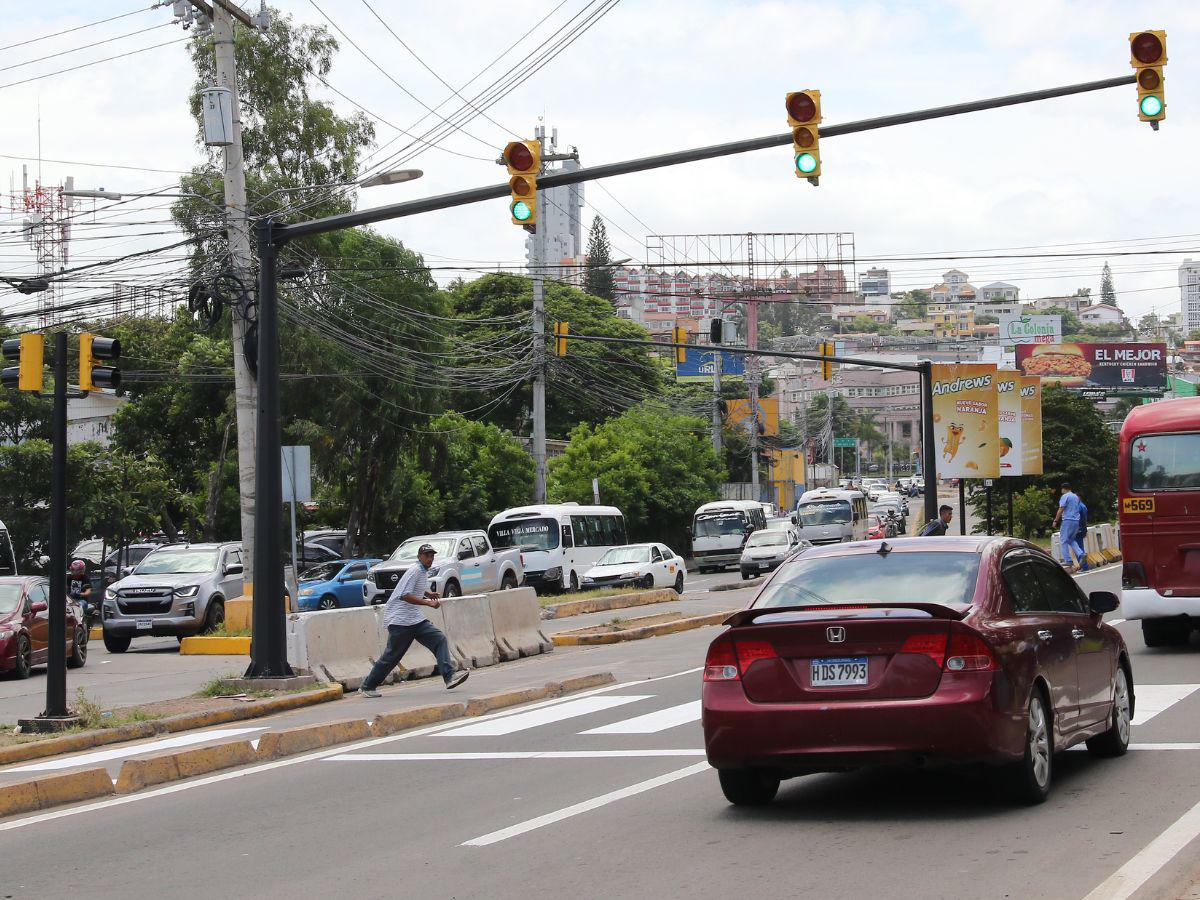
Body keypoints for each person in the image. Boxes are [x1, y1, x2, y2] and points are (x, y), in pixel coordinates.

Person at [359, 544, 469, 697]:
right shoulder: (415, 570)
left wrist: (428, 594)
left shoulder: (422, 571)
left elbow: (415, 588)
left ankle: (449, 677)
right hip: (400, 620)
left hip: (414, 619)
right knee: (392, 657)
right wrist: (428, 603)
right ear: (419, 557)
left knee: (439, 639)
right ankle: (367, 686)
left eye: (432, 556)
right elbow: (404, 595)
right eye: (427, 556)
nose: (430, 559)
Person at [1052, 482, 1085, 572]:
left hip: (1067, 520)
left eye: (1062, 489)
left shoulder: (1065, 496)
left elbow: (1061, 509)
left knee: (1063, 540)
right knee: (1071, 539)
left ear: (1064, 489)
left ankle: (1068, 560)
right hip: (1076, 521)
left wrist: (1055, 520)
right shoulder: (1075, 497)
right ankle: (1081, 554)